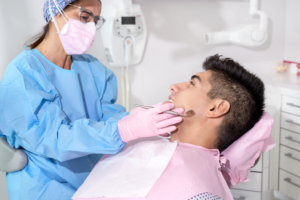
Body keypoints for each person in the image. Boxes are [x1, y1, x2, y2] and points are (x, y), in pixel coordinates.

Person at [0, 0, 184, 199]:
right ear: (56, 12)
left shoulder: (92, 69)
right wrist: (124, 129)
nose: (90, 28)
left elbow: (108, 118)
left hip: (93, 183)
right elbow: (53, 139)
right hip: (45, 186)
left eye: (95, 21)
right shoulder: (23, 74)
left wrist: (136, 121)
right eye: (84, 17)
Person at [72, 55, 273, 200]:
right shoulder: (142, 140)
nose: (174, 86)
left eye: (192, 84)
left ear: (215, 108)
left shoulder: (201, 195)